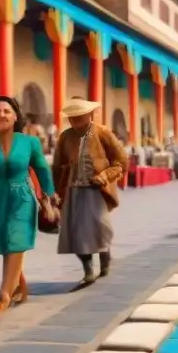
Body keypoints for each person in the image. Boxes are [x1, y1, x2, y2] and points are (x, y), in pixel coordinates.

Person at [0, 96, 56, 323]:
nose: (1, 115)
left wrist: (49, 195)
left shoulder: (29, 143)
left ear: (15, 116)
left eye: (6, 111)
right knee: (6, 244)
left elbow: (42, 169)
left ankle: (4, 297)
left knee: (16, 240)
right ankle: (20, 287)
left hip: (22, 198)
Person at [51, 97, 127, 290]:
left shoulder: (103, 133)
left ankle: (105, 255)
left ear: (90, 114)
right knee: (76, 234)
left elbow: (121, 160)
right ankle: (88, 271)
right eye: (72, 117)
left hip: (96, 190)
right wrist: (54, 191)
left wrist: (105, 175)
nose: (75, 120)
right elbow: (57, 165)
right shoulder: (65, 137)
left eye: (79, 116)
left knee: (100, 228)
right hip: (73, 190)